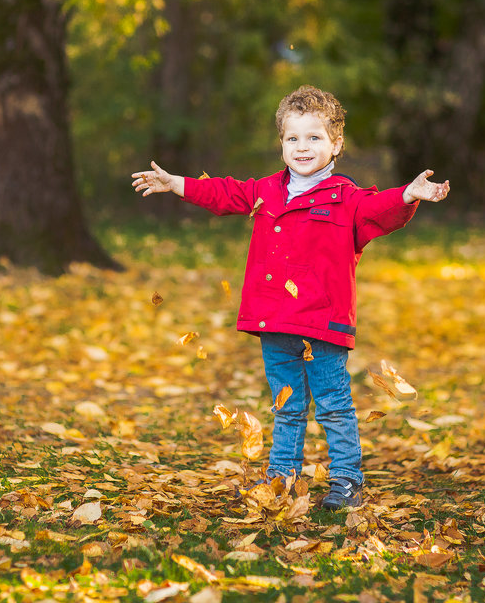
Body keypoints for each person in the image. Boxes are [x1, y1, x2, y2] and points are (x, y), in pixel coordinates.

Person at [130, 85, 449, 510]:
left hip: (324, 322)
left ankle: (347, 482)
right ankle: (281, 480)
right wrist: (177, 184)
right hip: (274, 319)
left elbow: (379, 210)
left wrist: (409, 195)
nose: (303, 147)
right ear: (281, 143)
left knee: (333, 405)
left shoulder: (347, 198)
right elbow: (223, 193)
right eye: (292, 138)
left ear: (336, 143)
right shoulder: (267, 190)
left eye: (314, 137)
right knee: (287, 405)